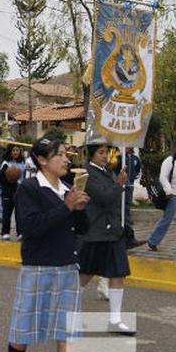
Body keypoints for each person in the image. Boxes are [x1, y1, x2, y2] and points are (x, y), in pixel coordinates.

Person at [2, 137, 100, 352]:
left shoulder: (67, 188)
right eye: (60, 155)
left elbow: (80, 228)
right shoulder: (29, 189)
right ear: (43, 160)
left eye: (66, 154)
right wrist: (65, 207)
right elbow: (31, 228)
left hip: (68, 267)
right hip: (38, 267)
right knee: (24, 328)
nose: (66, 159)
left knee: (67, 332)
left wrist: (79, 209)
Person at [77, 142, 135, 335]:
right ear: (91, 155)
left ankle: (116, 319)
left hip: (113, 232)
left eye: (106, 153)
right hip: (96, 232)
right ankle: (70, 313)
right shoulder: (88, 173)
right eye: (101, 153)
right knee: (85, 274)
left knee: (118, 273)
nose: (105, 156)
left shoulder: (106, 172)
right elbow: (103, 197)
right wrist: (119, 184)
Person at [0, 145, 27, 240]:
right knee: (7, 213)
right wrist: (10, 180)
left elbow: (25, 176)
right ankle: (5, 232)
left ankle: (20, 233)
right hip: (8, 192)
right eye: (13, 150)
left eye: (17, 150)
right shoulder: (6, 163)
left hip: (20, 192)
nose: (15, 152)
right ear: (10, 152)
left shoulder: (23, 163)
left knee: (20, 214)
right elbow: (1, 178)